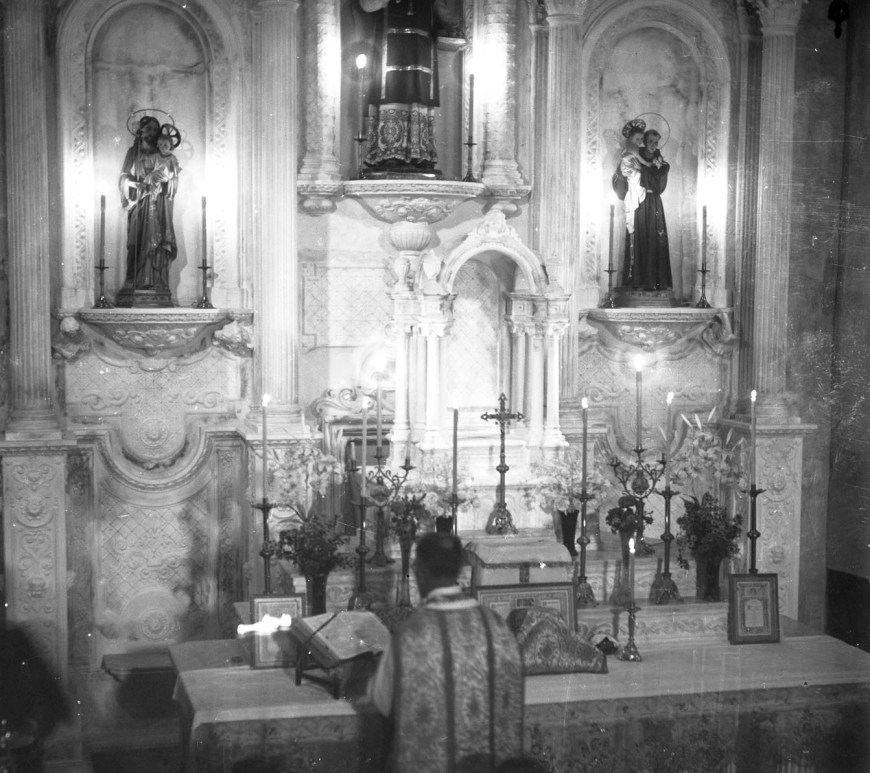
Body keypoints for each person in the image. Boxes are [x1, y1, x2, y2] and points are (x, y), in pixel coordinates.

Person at [368, 532, 524, 771]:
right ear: (460, 570)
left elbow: (382, 702)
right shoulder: (498, 626)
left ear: (420, 571)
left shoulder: (410, 635)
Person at [359, 0, 462, 173]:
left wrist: (450, 22)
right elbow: (367, 5)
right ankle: (389, 154)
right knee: (391, 91)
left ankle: (419, 154)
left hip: (420, 52)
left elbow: (446, 16)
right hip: (390, 48)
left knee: (418, 95)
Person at [117, 116, 181, 306]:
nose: (152, 133)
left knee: (158, 240)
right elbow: (123, 177)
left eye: (155, 129)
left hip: (159, 203)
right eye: (149, 129)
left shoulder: (164, 154)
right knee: (137, 241)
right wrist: (136, 183)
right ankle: (135, 281)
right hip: (139, 201)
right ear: (140, 131)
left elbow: (172, 178)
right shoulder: (133, 152)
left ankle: (158, 282)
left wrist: (166, 181)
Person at [612, 119, 673, 291]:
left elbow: (658, 184)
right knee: (638, 238)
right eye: (650, 142)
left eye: (656, 143)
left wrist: (657, 169)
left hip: (653, 203)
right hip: (638, 203)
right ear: (644, 142)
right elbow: (624, 174)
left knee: (656, 240)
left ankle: (656, 282)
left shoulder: (660, 162)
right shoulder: (633, 157)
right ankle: (637, 282)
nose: (653, 145)